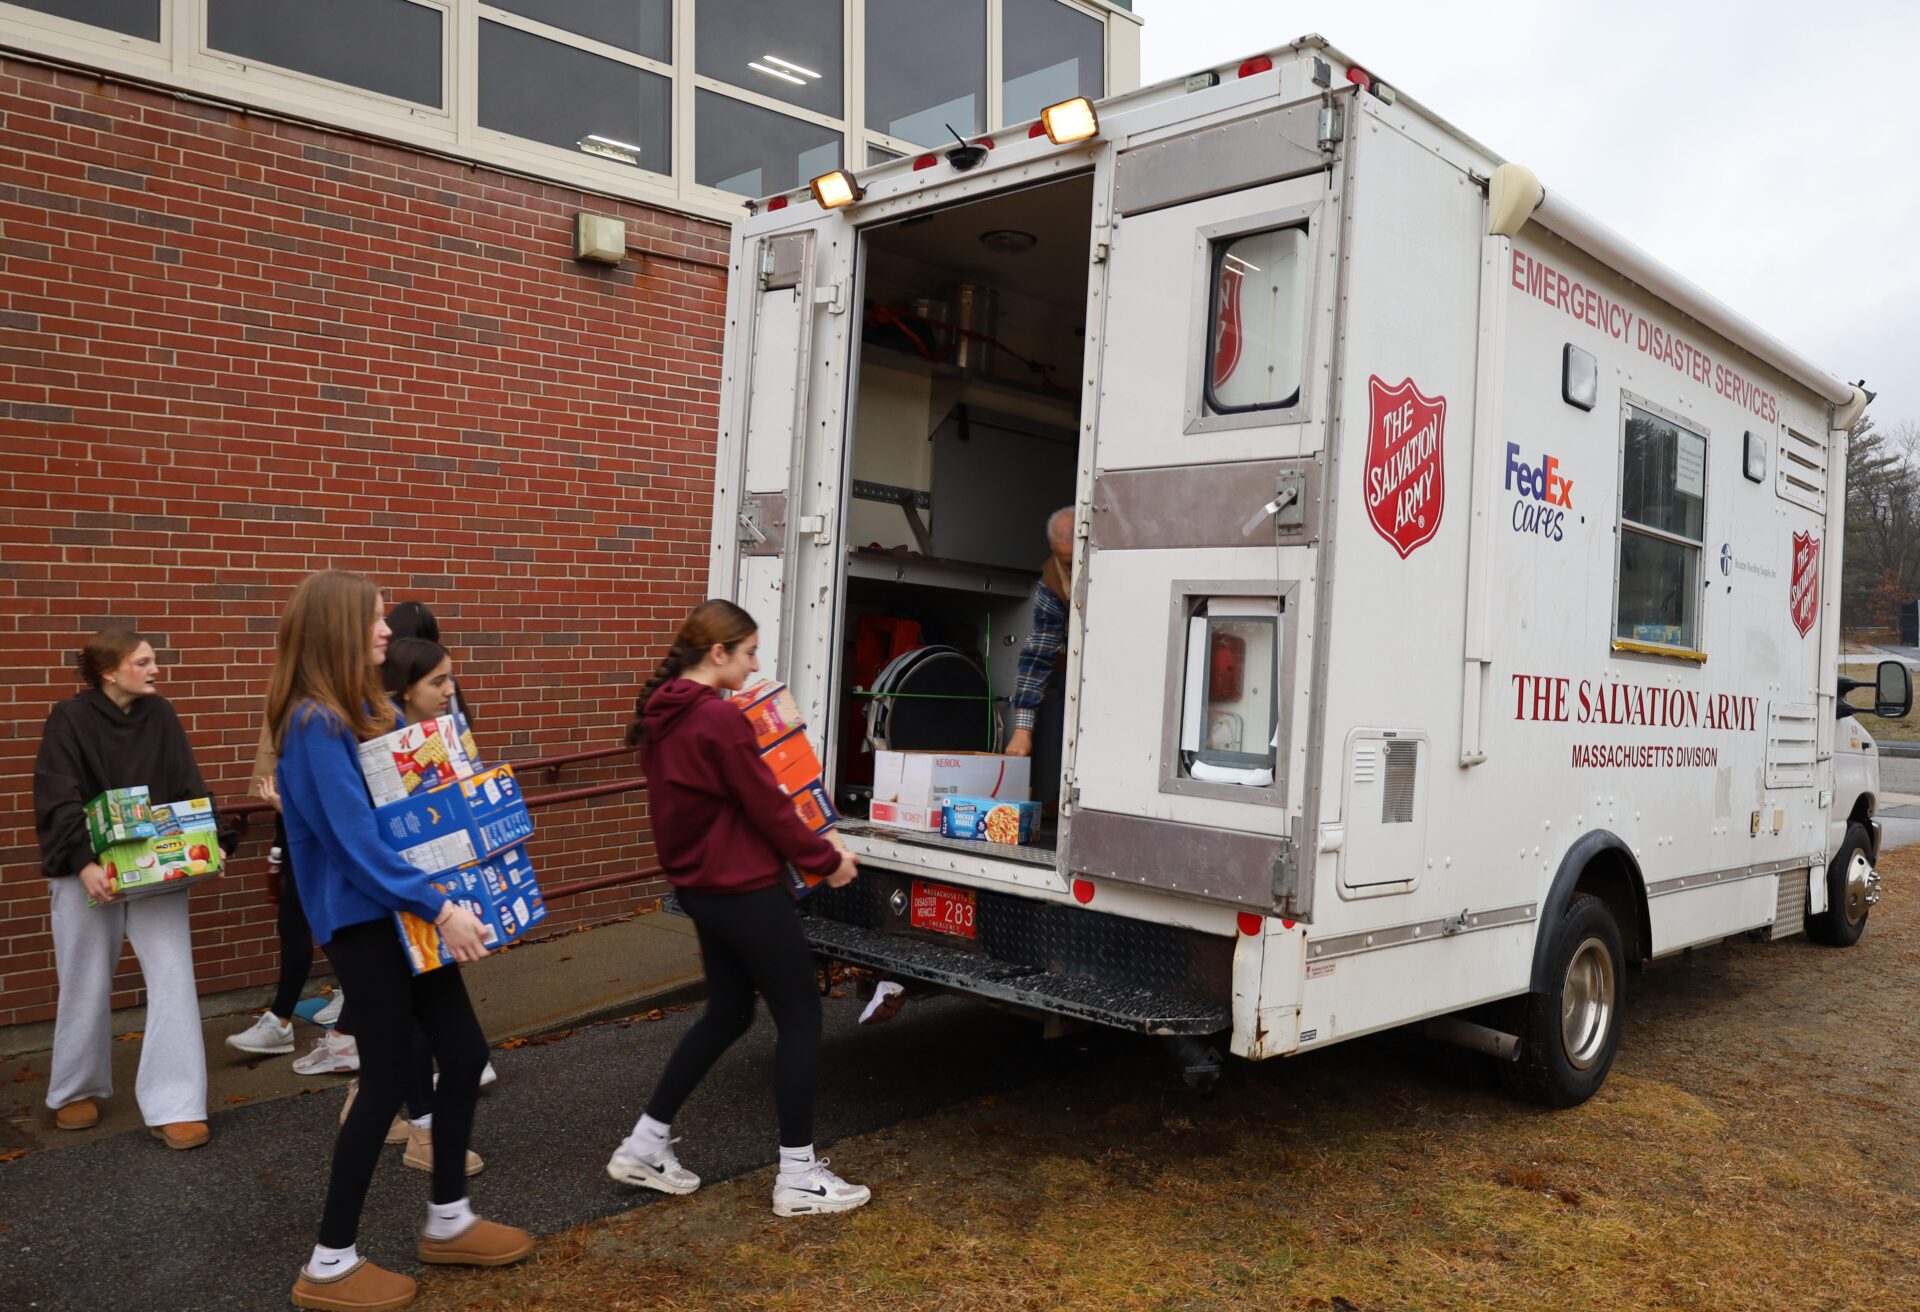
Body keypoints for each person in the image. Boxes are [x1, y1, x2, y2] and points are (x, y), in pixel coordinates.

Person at [269, 570, 529, 1311]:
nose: (387, 633)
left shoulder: (352, 713)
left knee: (467, 1053)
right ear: (337, 632)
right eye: (375, 622)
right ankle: (328, 1264)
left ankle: (448, 1220)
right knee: (384, 1082)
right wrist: (440, 905)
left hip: (397, 915)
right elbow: (353, 844)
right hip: (366, 922)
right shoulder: (315, 723)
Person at [606, 600, 870, 1217]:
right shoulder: (719, 723)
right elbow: (770, 806)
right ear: (717, 652)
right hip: (746, 890)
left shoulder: (661, 715)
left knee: (728, 1014)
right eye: (748, 653)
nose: (755, 668)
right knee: (801, 1018)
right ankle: (799, 1176)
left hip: (701, 890)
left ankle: (645, 1144)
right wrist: (826, 858)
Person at [32, 631, 226, 1149]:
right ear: (109, 673)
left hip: (155, 869)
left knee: (173, 978)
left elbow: (186, 782)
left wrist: (211, 838)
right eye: (143, 662)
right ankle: (75, 1088)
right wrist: (82, 862)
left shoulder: (160, 715)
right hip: (88, 870)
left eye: (154, 661)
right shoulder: (68, 720)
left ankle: (176, 1102)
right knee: (84, 977)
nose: (155, 669)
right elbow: (57, 791)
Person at [224, 731, 343, 1059]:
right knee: (296, 916)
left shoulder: (321, 709)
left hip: (313, 817)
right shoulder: (299, 703)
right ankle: (285, 1019)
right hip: (295, 814)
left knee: (313, 916)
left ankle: (348, 1013)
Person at [1004, 507, 1075, 758]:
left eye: (1074, 561)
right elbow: (1038, 655)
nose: (1069, 571)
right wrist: (1022, 731)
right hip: (1079, 678)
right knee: (1068, 749)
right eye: (1064, 562)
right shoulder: (1051, 584)